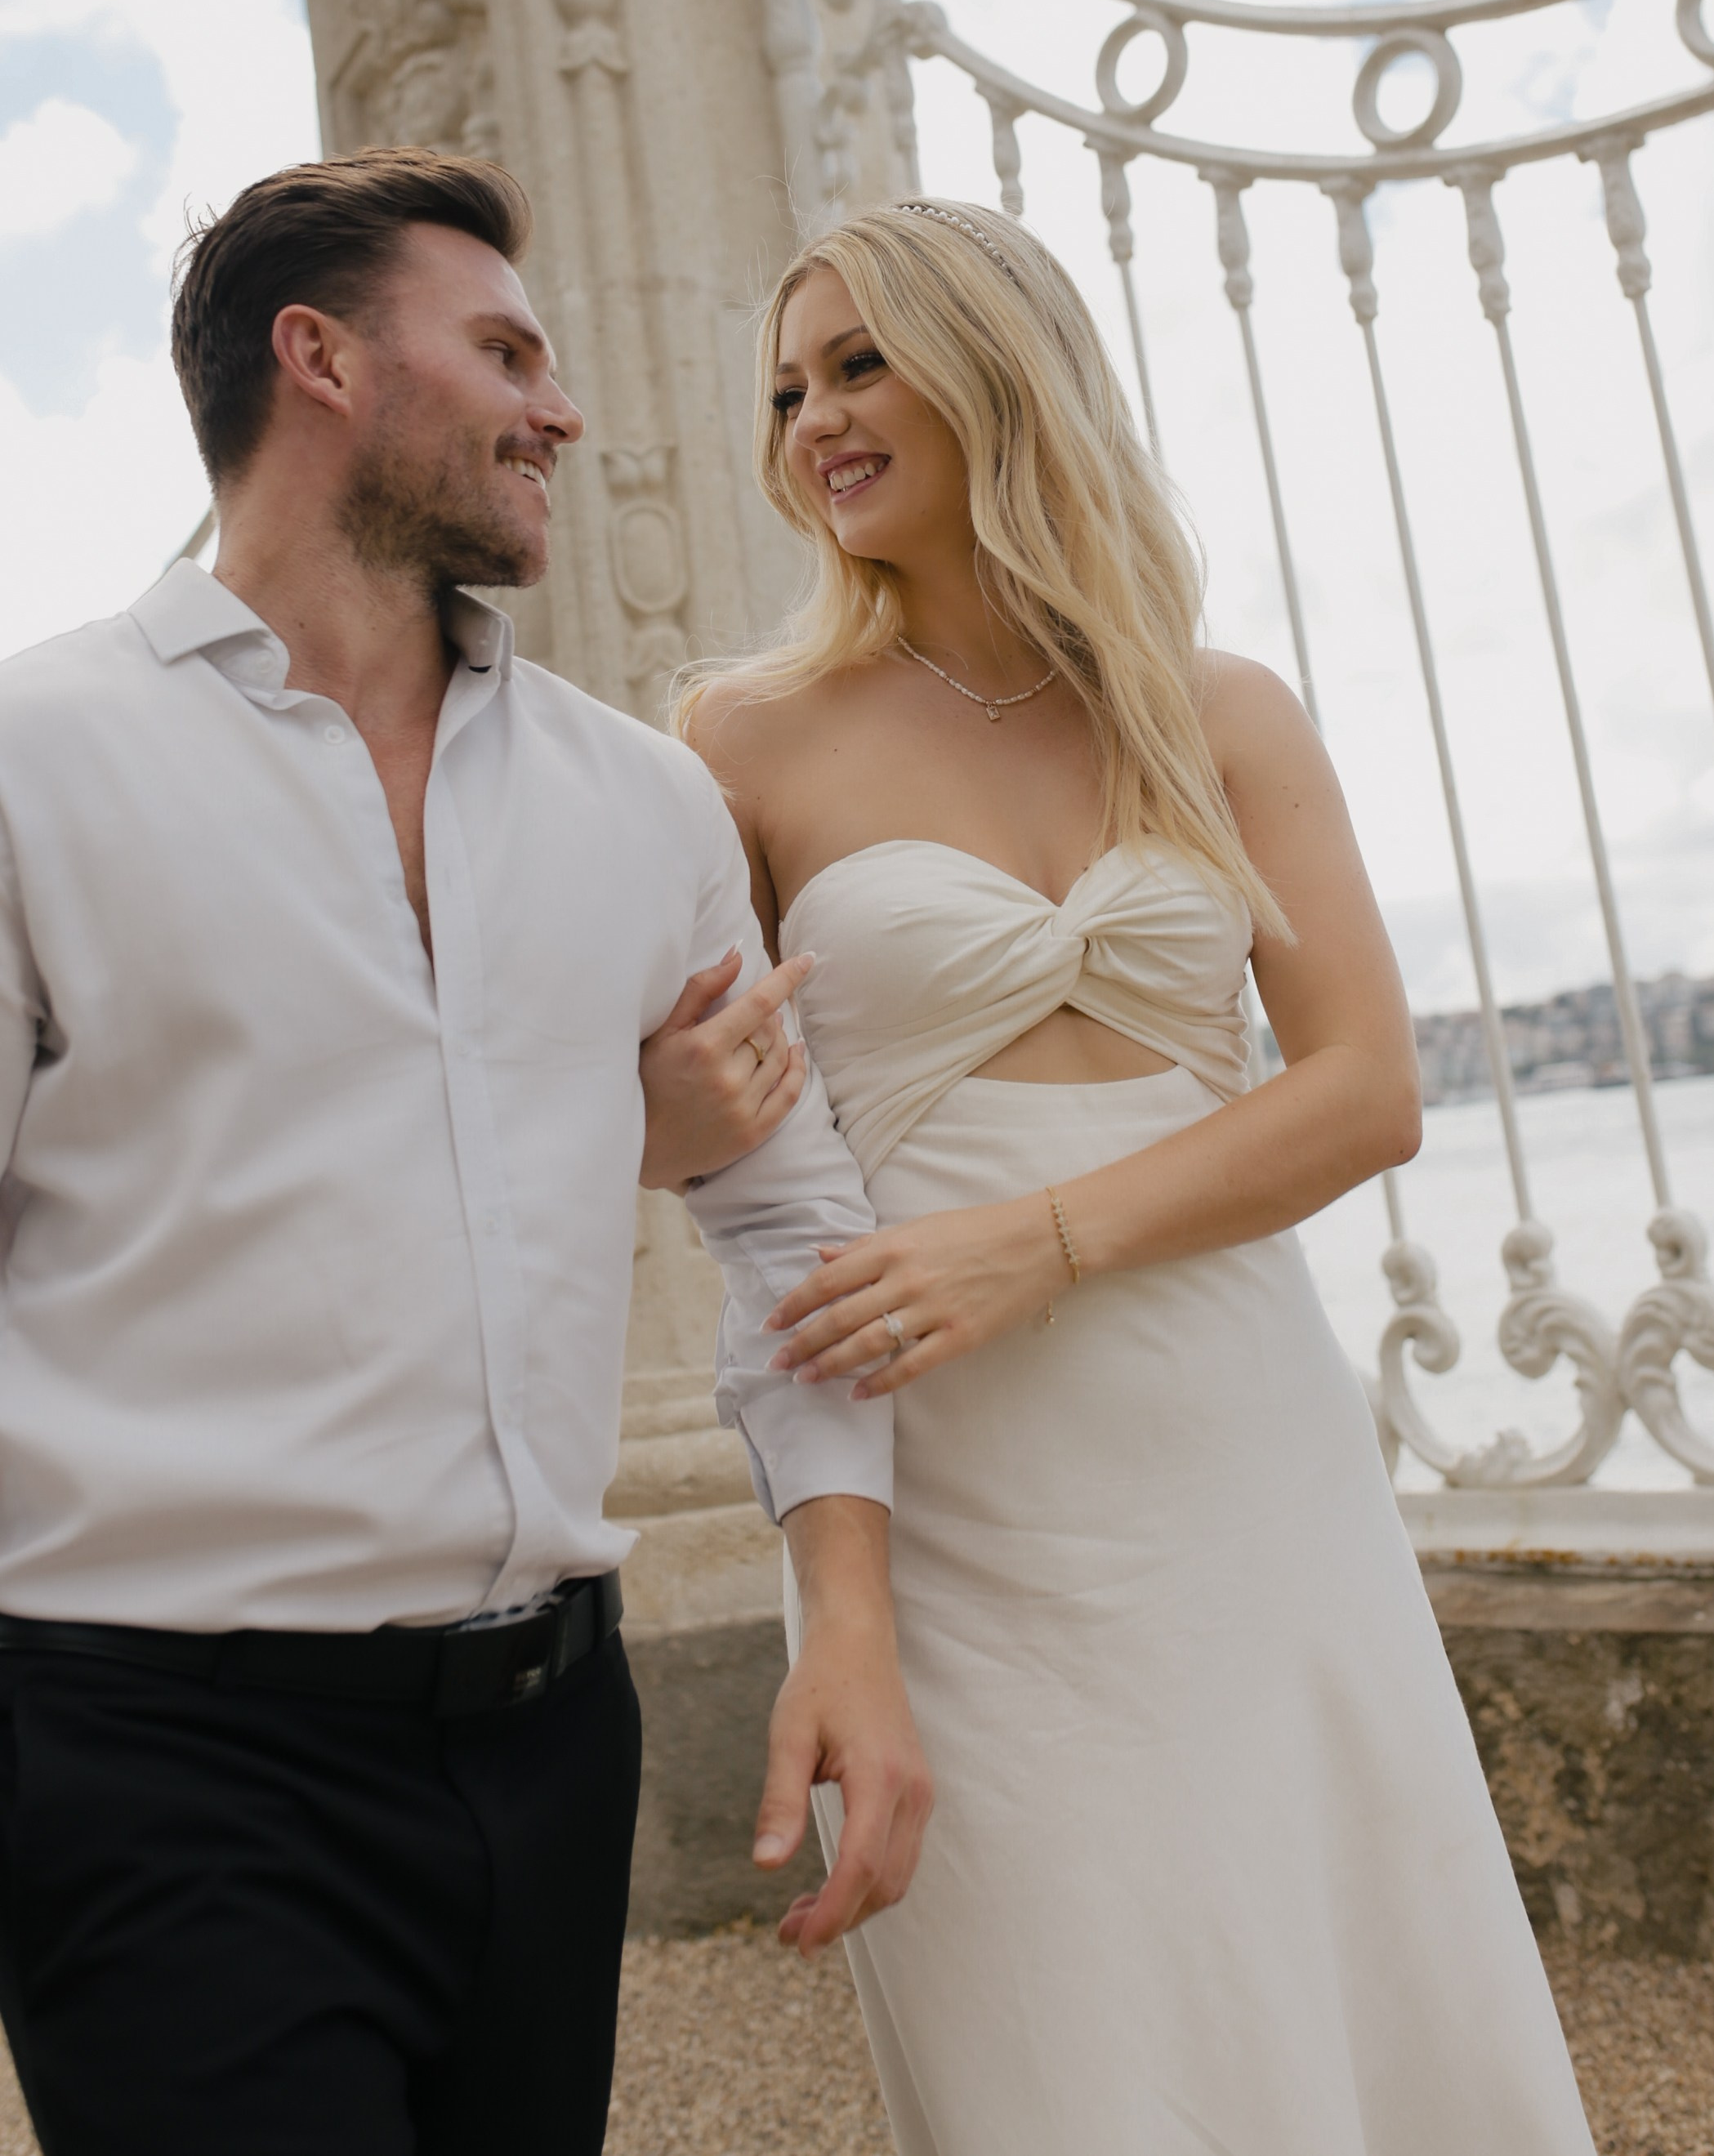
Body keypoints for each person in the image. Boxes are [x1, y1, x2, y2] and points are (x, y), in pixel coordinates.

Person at [0, 150, 930, 2156]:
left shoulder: (648, 797)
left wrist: (847, 1615)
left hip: (547, 1746)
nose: (564, 408)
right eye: (505, 348)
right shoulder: (32, 760)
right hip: (152, 1752)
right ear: (318, 357)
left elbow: (788, 1221)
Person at [679, 195, 1597, 2156]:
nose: (811, 420)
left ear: (1002, 364)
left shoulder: (1217, 705)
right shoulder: (737, 741)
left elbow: (1364, 1090)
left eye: (857, 361)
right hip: (954, 1497)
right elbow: (744, 1188)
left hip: (1245, 1454)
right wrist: (836, 1603)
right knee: (1074, 2057)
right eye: (782, 388)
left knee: (1357, 1978)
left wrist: (1041, 1239)